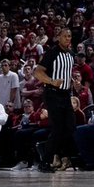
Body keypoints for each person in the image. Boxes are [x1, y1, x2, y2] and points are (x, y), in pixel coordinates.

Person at [34, 28, 77, 172]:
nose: (67, 38)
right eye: (65, 36)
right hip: (52, 93)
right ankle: (45, 162)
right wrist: (52, 81)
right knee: (57, 128)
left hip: (65, 94)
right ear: (59, 38)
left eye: (69, 36)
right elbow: (37, 72)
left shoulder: (71, 54)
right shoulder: (52, 52)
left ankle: (59, 156)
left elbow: (65, 71)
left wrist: (73, 82)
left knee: (70, 127)